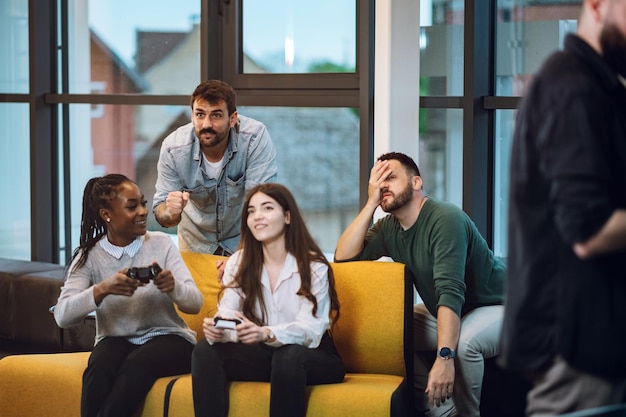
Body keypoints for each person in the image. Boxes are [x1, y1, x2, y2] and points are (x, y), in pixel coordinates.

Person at [501, 0, 626, 415]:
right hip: (578, 346)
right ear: (597, 5)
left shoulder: (601, 87)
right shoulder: (571, 86)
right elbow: (588, 231)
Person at [334, 152, 505, 417]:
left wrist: (444, 357)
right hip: (455, 312)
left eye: (391, 177)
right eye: (378, 181)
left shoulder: (445, 218)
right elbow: (344, 259)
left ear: (416, 182)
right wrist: (370, 204)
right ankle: (441, 410)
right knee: (389, 330)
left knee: (467, 341)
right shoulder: (389, 227)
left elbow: (450, 292)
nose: (383, 186)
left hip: (500, 305)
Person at [54, 174, 203, 417]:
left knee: (137, 365)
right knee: (98, 369)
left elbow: (195, 304)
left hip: (170, 339)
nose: (143, 212)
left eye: (143, 203)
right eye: (132, 206)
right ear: (107, 215)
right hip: (115, 339)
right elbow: (62, 316)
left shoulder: (161, 244)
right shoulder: (89, 257)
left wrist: (172, 287)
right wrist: (102, 289)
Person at [191, 183, 345, 417]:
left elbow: (311, 330)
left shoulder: (314, 267)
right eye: (251, 211)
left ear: (287, 216)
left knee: (289, 354)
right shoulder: (239, 262)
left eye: (267, 208)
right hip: (265, 354)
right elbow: (228, 311)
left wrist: (266, 334)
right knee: (206, 350)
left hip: (312, 356)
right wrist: (220, 329)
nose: (257, 216)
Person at [153, 79, 278, 257]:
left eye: (216, 115)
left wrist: (241, 259)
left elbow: (261, 205)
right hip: (195, 245)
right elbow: (162, 215)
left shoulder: (254, 138)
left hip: (243, 241)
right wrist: (171, 211)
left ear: (232, 118)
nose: (206, 124)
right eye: (200, 114)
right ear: (192, 115)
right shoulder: (173, 148)